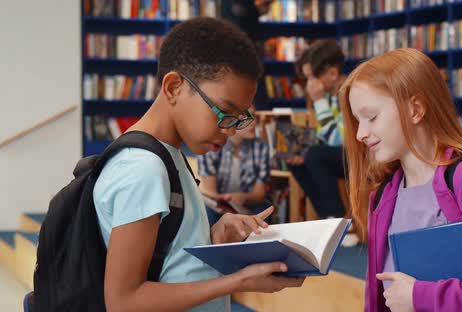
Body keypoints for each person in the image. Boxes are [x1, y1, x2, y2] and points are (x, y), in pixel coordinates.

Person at [93, 17, 303, 312]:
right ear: (174, 87)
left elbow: (168, 263)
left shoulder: (168, 155)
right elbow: (124, 301)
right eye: (224, 112)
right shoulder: (143, 169)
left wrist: (214, 237)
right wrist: (238, 281)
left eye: (240, 118)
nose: (230, 130)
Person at [339, 48, 462, 312]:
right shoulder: (383, 196)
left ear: (415, 109)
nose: (361, 134)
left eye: (372, 117)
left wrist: (420, 296)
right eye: (357, 121)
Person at [289, 39, 347, 220]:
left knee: (315, 155)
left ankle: (339, 220)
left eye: (313, 78)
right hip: (341, 155)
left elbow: (338, 141)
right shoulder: (329, 96)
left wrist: (319, 101)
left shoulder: (350, 92)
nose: (309, 85)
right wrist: (302, 149)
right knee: (297, 161)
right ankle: (327, 218)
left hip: (361, 156)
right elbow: (325, 135)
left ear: (332, 73)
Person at [197, 106, 272, 226]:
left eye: (254, 116)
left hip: (249, 204)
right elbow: (210, 191)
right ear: (229, 120)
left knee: (263, 209)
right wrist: (227, 201)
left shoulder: (261, 147)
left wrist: (242, 197)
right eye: (245, 117)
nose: (253, 122)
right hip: (222, 204)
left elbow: (260, 194)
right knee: (208, 211)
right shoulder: (212, 147)